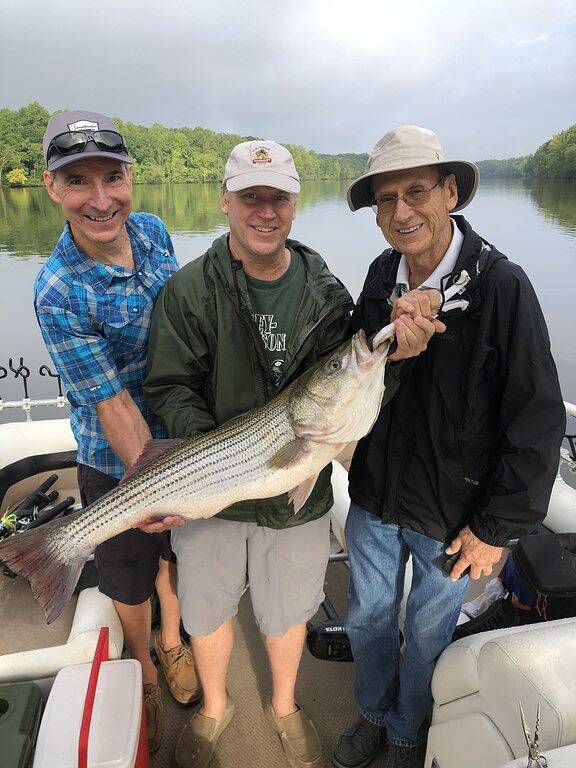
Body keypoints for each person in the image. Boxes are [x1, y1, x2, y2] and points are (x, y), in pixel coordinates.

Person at [143, 139, 440, 768]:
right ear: (225, 202)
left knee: (285, 613)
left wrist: (403, 344)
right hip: (217, 486)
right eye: (251, 197)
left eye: (277, 197)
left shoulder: (326, 292)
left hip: (301, 490)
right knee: (207, 607)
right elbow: (168, 387)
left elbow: (355, 382)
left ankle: (284, 707)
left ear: (295, 205)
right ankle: (215, 709)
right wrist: (207, 463)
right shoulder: (189, 290)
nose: (265, 211)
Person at [332, 125, 567, 768]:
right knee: (368, 622)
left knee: (430, 632)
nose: (401, 212)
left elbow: (538, 420)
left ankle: (409, 732)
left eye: (416, 192)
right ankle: (374, 715)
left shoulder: (504, 287)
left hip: (451, 515)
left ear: (453, 192)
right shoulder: (382, 275)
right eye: (386, 200)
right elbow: (357, 370)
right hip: (377, 494)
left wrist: (495, 529)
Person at [34, 110, 201, 753]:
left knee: (177, 555)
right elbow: (110, 404)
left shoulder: (156, 233)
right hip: (116, 453)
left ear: (130, 178)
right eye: (79, 181)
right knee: (128, 570)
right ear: (53, 188)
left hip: (185, 438)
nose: (101, 199)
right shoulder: (57, 289)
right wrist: (150, 484)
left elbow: (188, 325)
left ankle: (172, 642)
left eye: (112, 177)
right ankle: (140, 661)